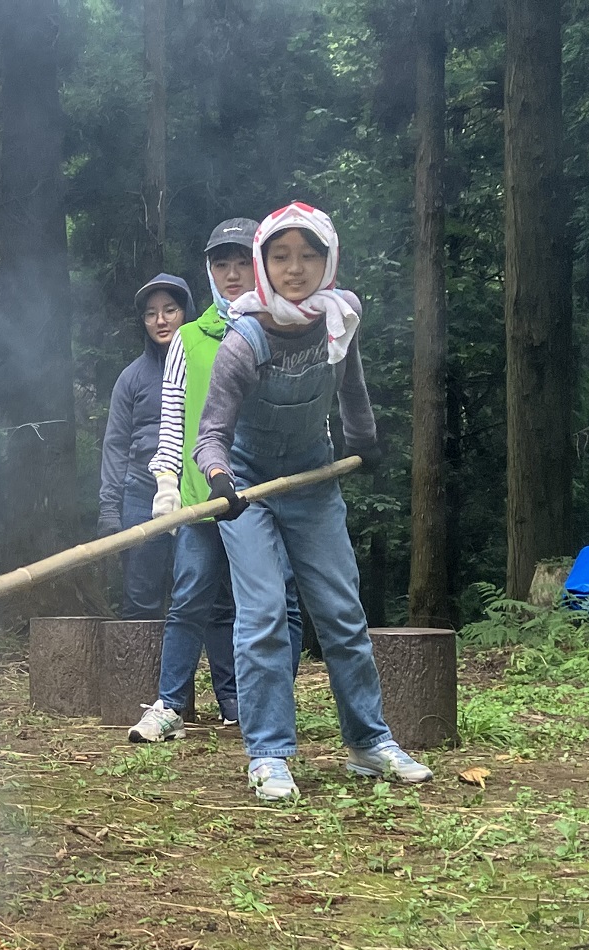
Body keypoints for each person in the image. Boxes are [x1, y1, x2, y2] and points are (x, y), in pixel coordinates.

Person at [193, 202, 432, 800]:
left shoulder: (338, 322)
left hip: (313, 478)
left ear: (328, 262)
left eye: (308, 256)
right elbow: (210, 434)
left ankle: (368, 743)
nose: (294, 269)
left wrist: (365, 444)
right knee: (265, 616)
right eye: (280, 256)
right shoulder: (244, 340)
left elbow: (352, 393)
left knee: (342, 614)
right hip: (247, 491)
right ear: (263, 264)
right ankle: (268, 754)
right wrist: (220, 477)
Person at [128, 219, 303, 743]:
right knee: (190, 597)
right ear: (208, 271)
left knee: (280, 599)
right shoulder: (187, 338)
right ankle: (171, 704)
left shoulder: (286, 329)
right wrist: (166, 485)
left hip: (269, 495)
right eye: (220, 264)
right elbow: (173, 421)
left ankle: (270, 702)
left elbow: (304, 410)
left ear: (259, 266)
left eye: (240, 263)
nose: (231, 275)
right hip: (206, 497)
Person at [98, 273, 194, 620]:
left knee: (198, 596)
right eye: (151, 314)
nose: (161, 320)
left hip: (195, 495)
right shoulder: (132, 377)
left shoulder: (204, 365)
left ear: (186, 311)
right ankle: (136, 676)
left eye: (170, 309)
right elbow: (115, 445)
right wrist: (110, 509)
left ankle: (182, 676)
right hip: (140, 494)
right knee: (140, 600)